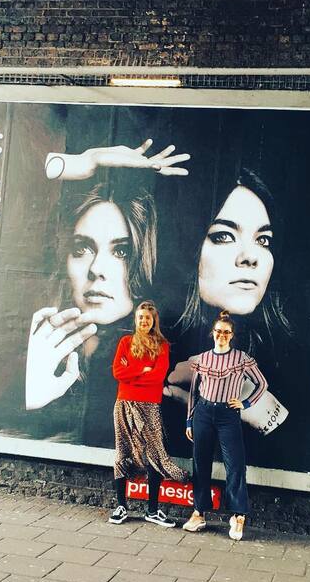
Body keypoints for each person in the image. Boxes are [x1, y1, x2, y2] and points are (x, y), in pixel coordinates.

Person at [24, 140, 190, 422]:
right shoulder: (32, 352)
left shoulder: (169, 369)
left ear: (147, 260)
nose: (97, 269)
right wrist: (90, 158)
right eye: (81, 249)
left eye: (121, 251)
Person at [165, 168, 290, 436]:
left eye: (263, 240)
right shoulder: (157, 354)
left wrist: (261, 408)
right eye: (223, 236)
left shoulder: (292, 363)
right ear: (188, 246)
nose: (250, 257)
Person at [183, 310, 268, 541]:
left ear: (232, 335)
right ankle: (199, 512)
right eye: (218, 331)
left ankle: (238, 515)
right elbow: (193, 392)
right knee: (200, 464)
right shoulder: (202, 359)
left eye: (226, 332)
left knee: (235, 465)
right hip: (203, 413)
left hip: (228, 414)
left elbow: (262, 383)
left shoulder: (241, 359)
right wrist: (189, 420)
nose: (222, 335)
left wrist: (245, 403)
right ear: (213, 333)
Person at [109, 300, 188, 527]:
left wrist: (134, 373)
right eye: (141, 317)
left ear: (154, 321)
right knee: (122, 450)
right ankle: (121, 505)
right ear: (136, 319)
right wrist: (142, 369)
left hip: (150, 405)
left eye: (148, 318)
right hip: (124, 403)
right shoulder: (125, 342)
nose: (144, 321)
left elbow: (157, 376)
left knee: (154, 453)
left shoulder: (162, 345)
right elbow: (118, 372)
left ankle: (152, 510)